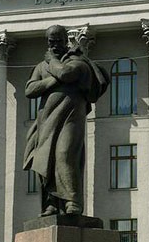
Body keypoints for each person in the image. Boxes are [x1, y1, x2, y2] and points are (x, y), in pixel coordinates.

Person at [23, 25, 110, 216]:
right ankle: (51, 203)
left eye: (58, 41)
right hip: (46, 120)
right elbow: (29, 90)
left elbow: (66, 74)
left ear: (66, 41)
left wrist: (53, 63)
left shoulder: (78, 61)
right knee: (47, 160)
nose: (54, 46)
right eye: (51, 42)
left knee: (65, 154)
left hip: (71, 116)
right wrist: (51, 82)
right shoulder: (41, 66)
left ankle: (72, 202)